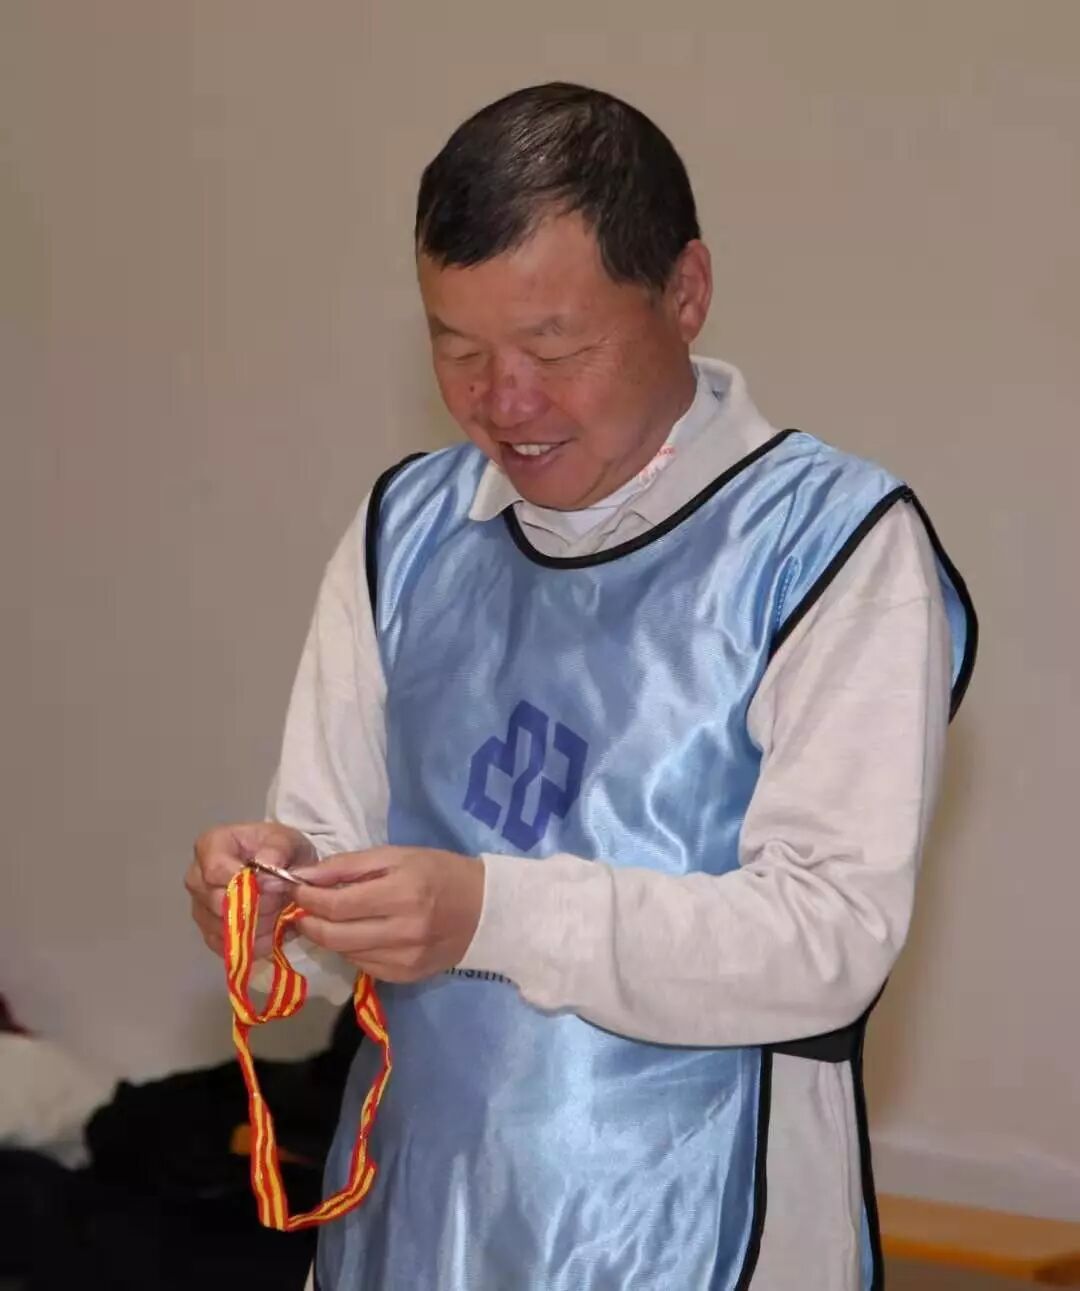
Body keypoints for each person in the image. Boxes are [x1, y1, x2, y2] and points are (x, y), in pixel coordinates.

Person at [186, 83, 976, 1291]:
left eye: (556, 349)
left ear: (685, 292)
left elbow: (829, 940)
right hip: (413, 1221)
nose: (505, 401)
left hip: (703, 1228)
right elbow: (334, 881)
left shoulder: (830, 544)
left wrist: (488, 911)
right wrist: (274, 903)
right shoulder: (408, 529)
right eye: (458, 347)